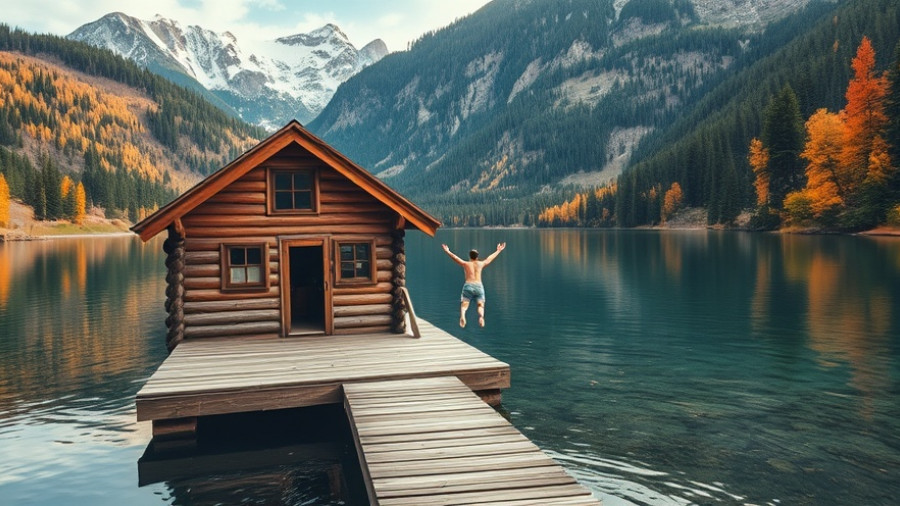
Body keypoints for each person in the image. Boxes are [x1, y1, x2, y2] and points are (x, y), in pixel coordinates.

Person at [441, 242, 506, 328]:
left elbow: (455, 258)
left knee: (464, 304)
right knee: (480, 305)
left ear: (470, 256)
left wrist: (447, 251)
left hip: (468, 285)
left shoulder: (466, 264)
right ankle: (481, 317)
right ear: (477, 256)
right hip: (478, 286)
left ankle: (463, 315)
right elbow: (489, 258)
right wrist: (498, 250)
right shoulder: (481, 264)